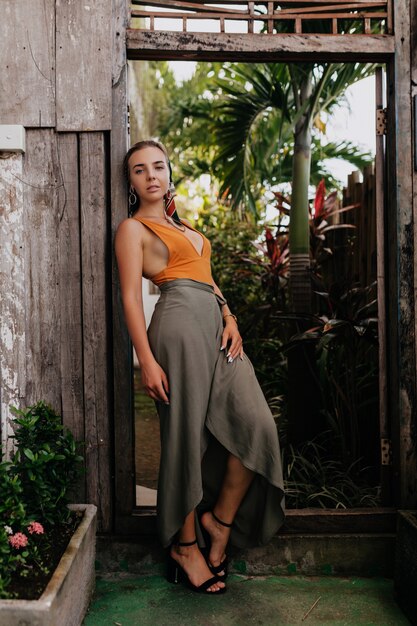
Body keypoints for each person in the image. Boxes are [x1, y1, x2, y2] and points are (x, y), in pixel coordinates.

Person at [115, 140, 285, 595]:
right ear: (130, 182)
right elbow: (131, 298)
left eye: (158, 167)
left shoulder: (185, 225)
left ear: (169, 173)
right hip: (177, 329)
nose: (150, 175)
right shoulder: (132, 229)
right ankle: (186, 545)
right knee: (184, 438)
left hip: (217, 329)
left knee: (258, 427)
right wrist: (147, 361)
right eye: (138, 170)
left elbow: (209, 281)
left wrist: (231, 317)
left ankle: (220, 522)